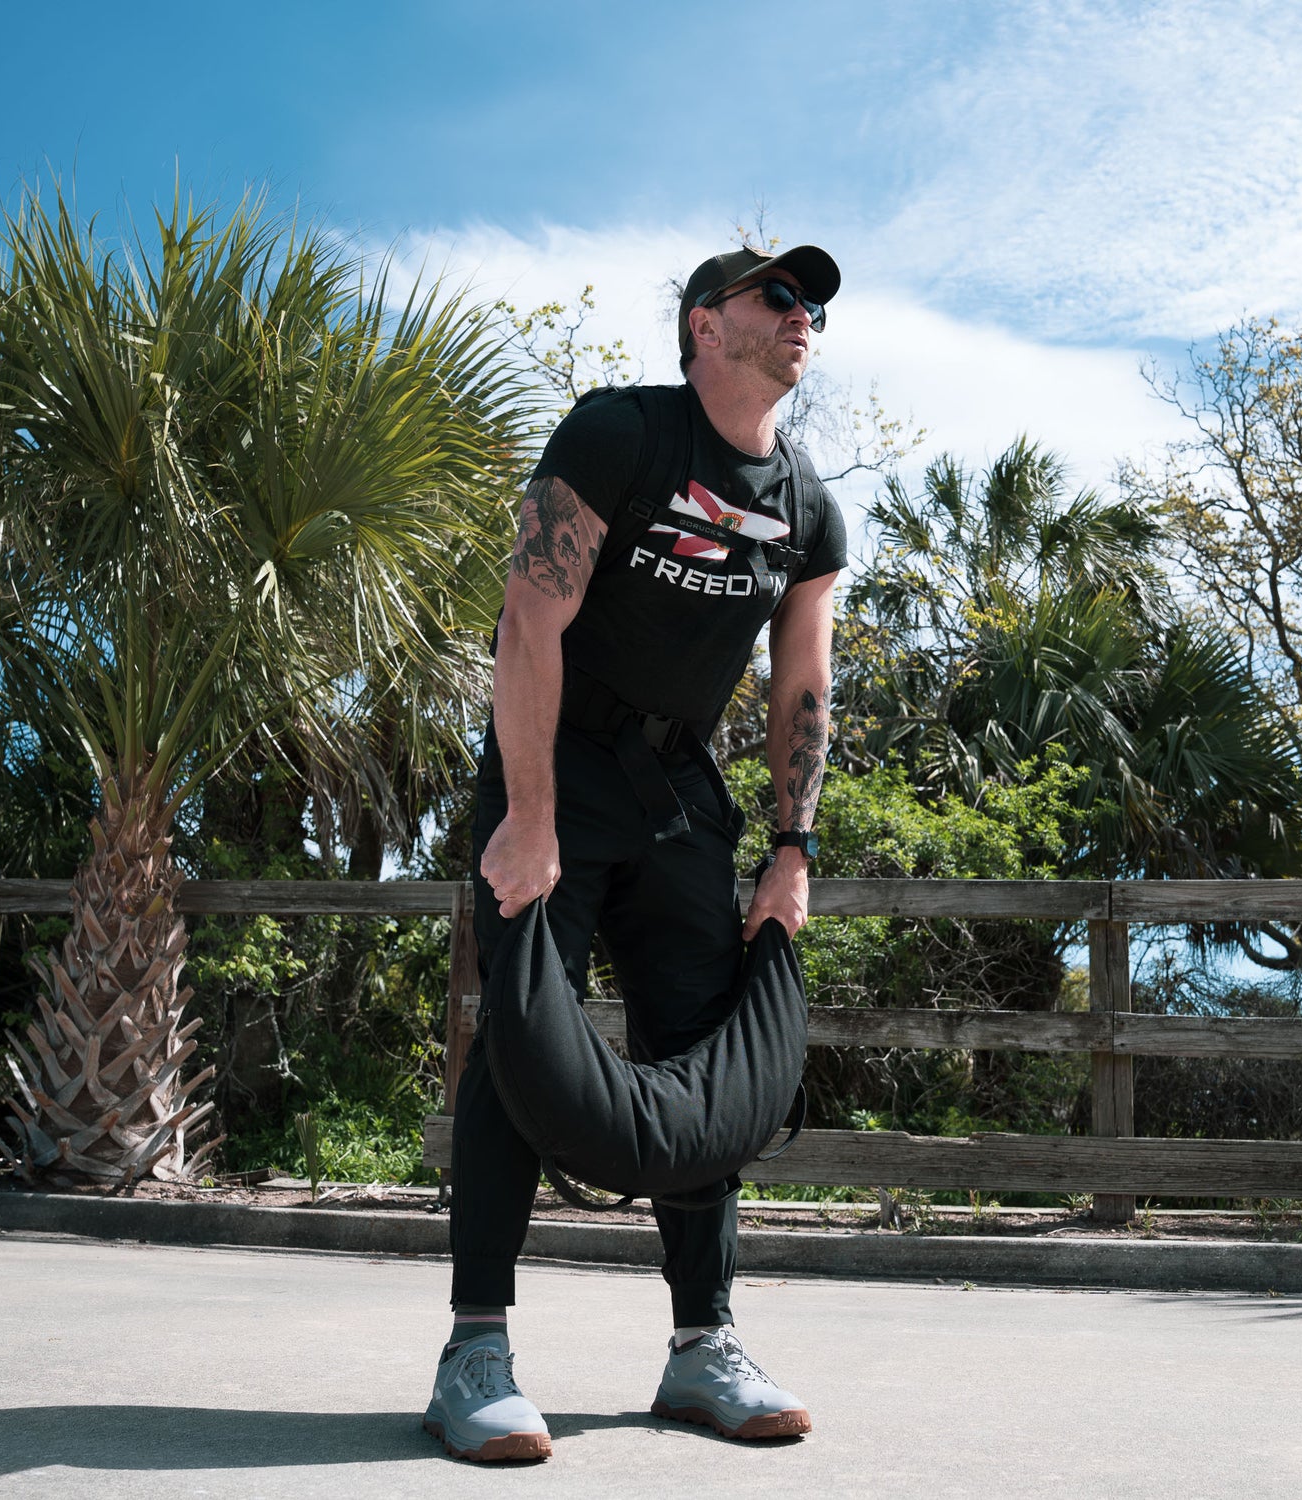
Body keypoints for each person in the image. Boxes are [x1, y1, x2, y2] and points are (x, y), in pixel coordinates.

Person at [423, 244, 847, 1463]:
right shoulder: (622, 434)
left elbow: (802, 680)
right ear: (707, 324)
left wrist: (791, 847)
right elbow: (529, 618)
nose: (803, 317)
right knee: (519, 1033)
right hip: (556, 765)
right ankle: (476, 1350)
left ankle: (702, 1346)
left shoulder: (809, 505)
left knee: (704, 1047)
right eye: (780, 296)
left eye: (815, 305)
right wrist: (531, 809)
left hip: (679, 792)